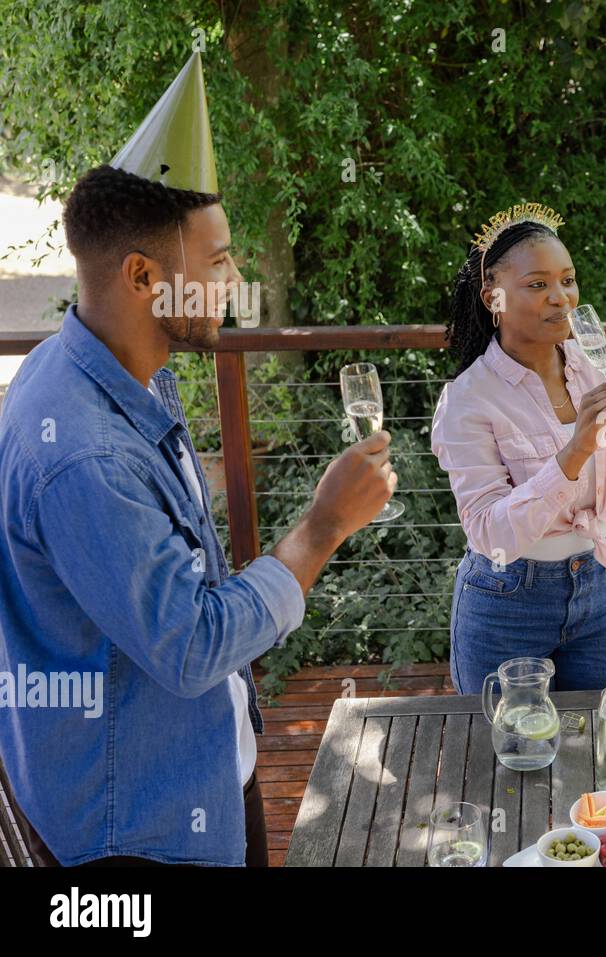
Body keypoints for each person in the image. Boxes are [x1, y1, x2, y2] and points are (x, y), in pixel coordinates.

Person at [0, 53, 396, 867]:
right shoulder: (82, 454)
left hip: (201, 780)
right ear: (144, 276)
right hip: (136, 836)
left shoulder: (121, 372)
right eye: (218, 261)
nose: (236, 279)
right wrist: (323, 525)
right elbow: (189, 644)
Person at [430, 203, 606, 693]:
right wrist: (573, 452)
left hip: (604, 586)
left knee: (603, 745)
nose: (561, 299)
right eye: (538, 285)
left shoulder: (593, 366)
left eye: (567, 280)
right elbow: (490, 533)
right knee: (503, 752)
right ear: (493, 297)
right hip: (507, 600)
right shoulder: (468, 399)